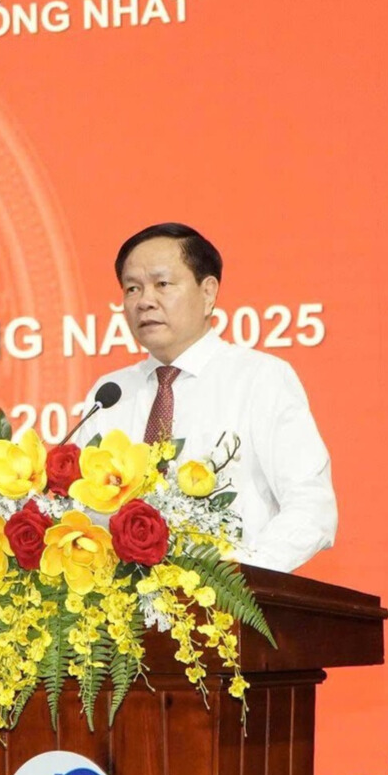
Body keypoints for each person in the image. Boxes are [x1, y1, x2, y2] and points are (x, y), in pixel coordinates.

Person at [71, 222, 336, 572]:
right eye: (132, 288)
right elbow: (78, 508)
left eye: (162, 284)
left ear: (208, 292)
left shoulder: (260, 378)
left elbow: (312, 507)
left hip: (229, 598)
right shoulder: (111, 393)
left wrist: (235, 576)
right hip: (124, 602)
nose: (144, 301)